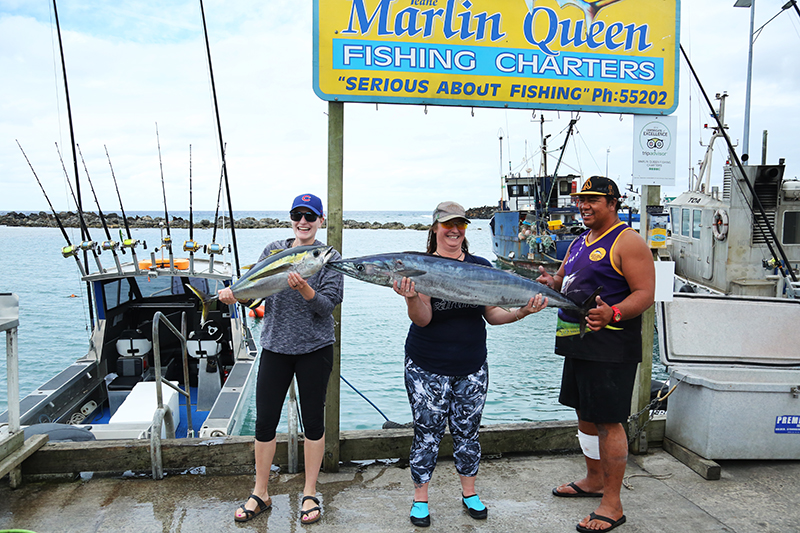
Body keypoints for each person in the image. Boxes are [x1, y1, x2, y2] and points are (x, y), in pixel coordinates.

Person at [393, 201, 547, 528]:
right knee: (427, 434)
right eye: (447, 224)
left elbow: (492, 315)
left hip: (472, 367)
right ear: (435, 228)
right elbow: (423, 319)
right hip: (426, 367)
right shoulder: (421, 266)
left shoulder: (481, 266)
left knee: (468, 433)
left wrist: (523, 312)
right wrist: (410, 296)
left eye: (460, 224)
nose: (454, 230)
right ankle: (421, 499)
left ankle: (469, 494)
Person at [536, 177, 655, 533]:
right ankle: (593, 480)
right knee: (585, 414)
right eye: (581, 200)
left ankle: (612, 505)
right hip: (576, 340)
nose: (584, 205)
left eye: (593, 200)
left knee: (608, 421)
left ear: (613, 202)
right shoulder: (577, 242)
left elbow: (646, 293)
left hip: (610, 347)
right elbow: (562, 279)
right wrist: (550, 283)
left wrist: (614, 313)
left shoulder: (628, 241)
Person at [221, 193, 344, 526]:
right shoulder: (275, 249)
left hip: (315, 350)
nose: (303, 222)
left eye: (310, 217)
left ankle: (309, 492)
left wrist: (305, 288)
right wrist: (235, 294)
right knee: (264, 424)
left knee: (313, 424)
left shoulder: (328, 257)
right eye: (297, 216)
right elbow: (255, 292)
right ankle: (260, 492)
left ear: (320, 221)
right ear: (292, 219)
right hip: (275, 347)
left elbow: (327, 306)